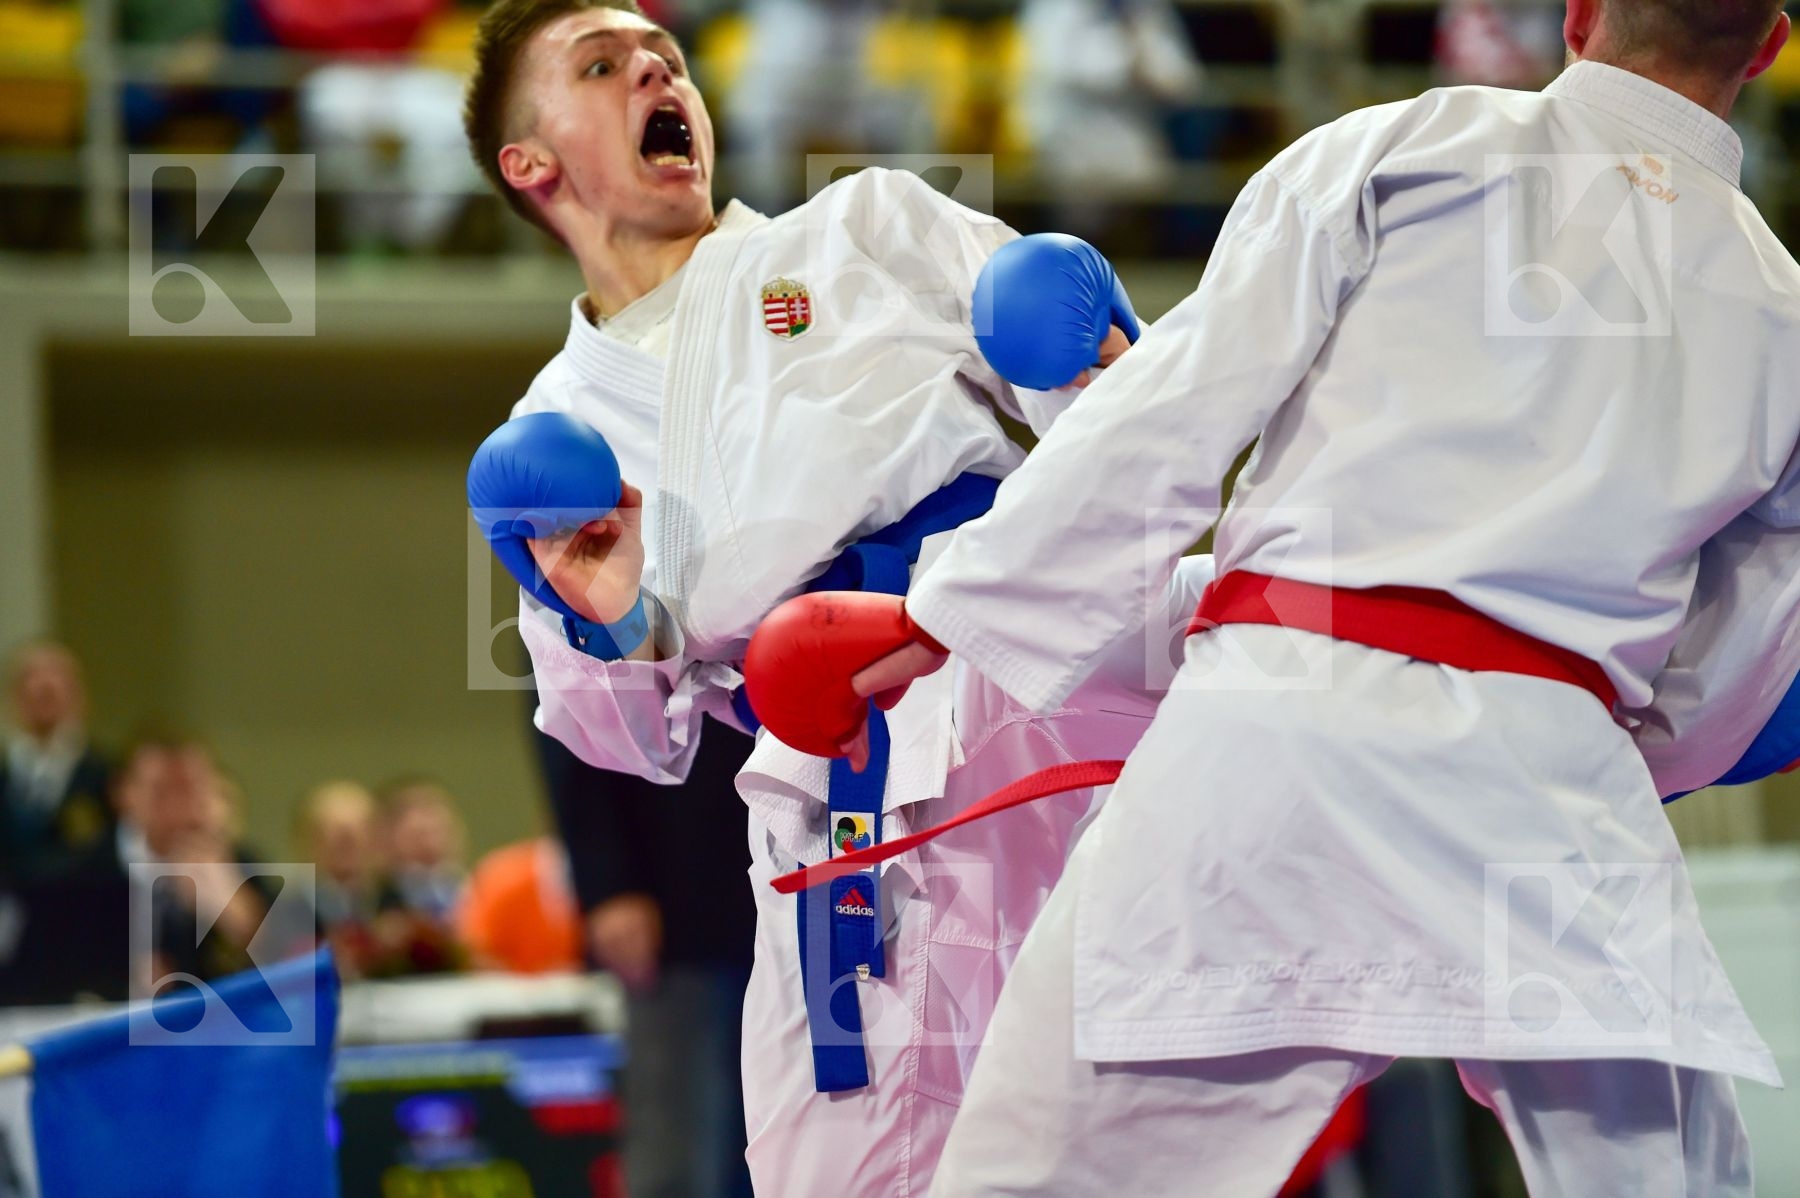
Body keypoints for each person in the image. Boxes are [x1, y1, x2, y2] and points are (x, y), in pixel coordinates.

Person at [841, 0, 1798, 1192]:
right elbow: (1758, 633)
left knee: (1043, 1175)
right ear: (1765, 49)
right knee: (1664, 1175)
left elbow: (1183, 401)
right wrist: (1638, 751)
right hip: (1556, 787)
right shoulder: (1782, 308)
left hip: (1285, 726)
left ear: (1582, 16)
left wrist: (950, 609)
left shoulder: (1406, 146)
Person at [459, 2, 1156, 1192]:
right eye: (601, 65)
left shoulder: (866, 224)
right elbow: (623, 735)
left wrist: (1098, 363)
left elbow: (1123, 442)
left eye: (664, 58)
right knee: (836, 1165)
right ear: (531, 163)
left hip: (1016, 658)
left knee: (1119, 1111)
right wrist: (612, 609)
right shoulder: (554, 429)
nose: (652, 69)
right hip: (829, 776)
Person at [0, 641, 112, 880]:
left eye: (57, 677)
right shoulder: (5, 774)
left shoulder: (107, 775)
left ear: (79, 695)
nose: (43, 684)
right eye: (30, 678)